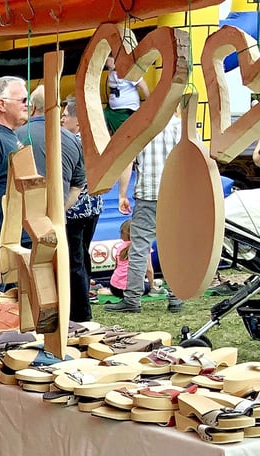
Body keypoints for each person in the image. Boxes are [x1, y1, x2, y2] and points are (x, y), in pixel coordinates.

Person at [14, 86, 92, 321]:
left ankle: (26, 318)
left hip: (22, 220)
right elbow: (79, 186)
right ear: (57, 111)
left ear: (33, 107)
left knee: (26, 272)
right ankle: (76, 317)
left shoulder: (18, 135)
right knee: (65, 267)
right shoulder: (71, 140)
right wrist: (57, 212)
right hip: (55, 221)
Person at [107, 108, 182, 313]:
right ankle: (176, 298)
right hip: (174, 196)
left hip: (147, 194)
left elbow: (127, 162)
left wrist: (122, 194)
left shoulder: (141, 129)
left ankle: (132, 299)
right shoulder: (181, 127)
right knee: (173, 248)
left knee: (139, 248)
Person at [61, 99, 105, 322]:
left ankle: (80, 312)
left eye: (65, 116)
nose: (61, 119)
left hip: (74, 210)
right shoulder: (95, 140)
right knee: (82, 258)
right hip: (93, 207)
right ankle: (83, 303)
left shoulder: (70, 143)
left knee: (74, 262)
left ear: (77, 121)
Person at [0, 76, 28, 232]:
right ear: (2, 105)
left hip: (15, 233)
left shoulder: (8, 135)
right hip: (2, 237)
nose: (27, 104)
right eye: (23, 100)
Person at [104, 52, 149, 134]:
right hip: (112, 109)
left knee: (123, 134)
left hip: (127, 110)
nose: (109, 67)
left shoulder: (129, 70)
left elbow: (143, 86)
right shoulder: (111, 72)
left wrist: (149, 104)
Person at [109, 219, 153, 300]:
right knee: (147, 285)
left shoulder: (120, 248)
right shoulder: (144, 247)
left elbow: (117, 268)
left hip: (114, 288)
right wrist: (152, 286)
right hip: (131, 289)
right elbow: (149, 270)